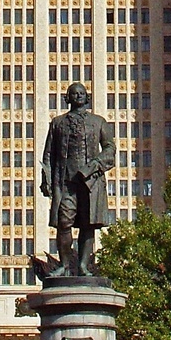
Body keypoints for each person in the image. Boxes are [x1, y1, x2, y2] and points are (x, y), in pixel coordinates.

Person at [38, 81, 116, 277]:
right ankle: (65, 265)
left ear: (87, 97)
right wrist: (46, 179)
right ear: (68, 98)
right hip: (65, 184)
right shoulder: (58, 123)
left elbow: (110, 150)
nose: (78, 96)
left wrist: (93, 167)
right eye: (74, 93)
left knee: (88, 224)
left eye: (82, 93)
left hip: (91, 183)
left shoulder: (98, 122)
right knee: (64, 223)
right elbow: (49, 154)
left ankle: (82, 266)